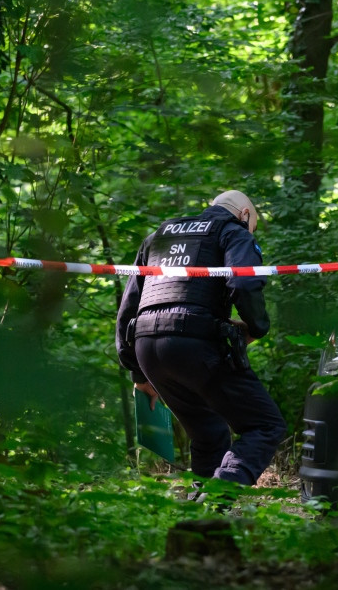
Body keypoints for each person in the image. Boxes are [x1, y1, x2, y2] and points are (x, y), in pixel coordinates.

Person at [116, 190, 287, 488]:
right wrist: (256, 328)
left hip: (146, 347)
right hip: (195, 343)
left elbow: (129, 305)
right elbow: (245, 283)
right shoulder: (232, 231)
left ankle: (205, 508)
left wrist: (138, 371)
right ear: (245, 215)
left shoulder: (160, 235)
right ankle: (221, 493)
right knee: (265, 424)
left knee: (208, 431)